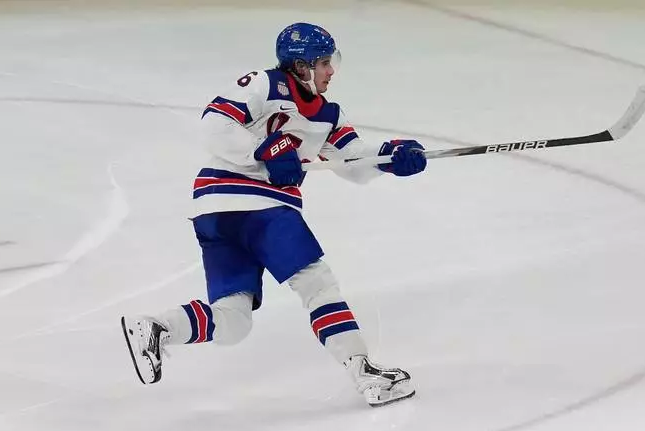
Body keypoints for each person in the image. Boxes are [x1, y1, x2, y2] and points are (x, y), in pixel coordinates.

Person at [121, 22, 427, 407]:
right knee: (316, 283)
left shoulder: (328, 115)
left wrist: (391, 156)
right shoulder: (264, 84)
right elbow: (215, 122)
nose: (331, 71)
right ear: (300, 66)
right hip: (255, 203)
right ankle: (364, 371)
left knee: (232, 321)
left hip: (216, 212)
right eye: (323, 63)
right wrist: (263, 152)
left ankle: (158, 328)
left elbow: (352, 159)